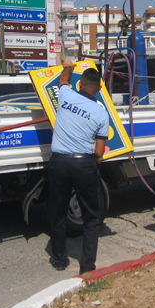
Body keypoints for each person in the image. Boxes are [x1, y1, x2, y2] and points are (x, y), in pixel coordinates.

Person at [48, 59, 109, 274]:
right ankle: (87, 267)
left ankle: (59, 260)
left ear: (80, 84)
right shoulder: (102, 113)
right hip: (84, 164)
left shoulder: (67, 95)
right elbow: (99, 152)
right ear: (100, 89)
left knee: (58, 212)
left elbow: (63, 79)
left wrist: (68, 65)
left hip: (59, 163)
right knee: (92, 217)